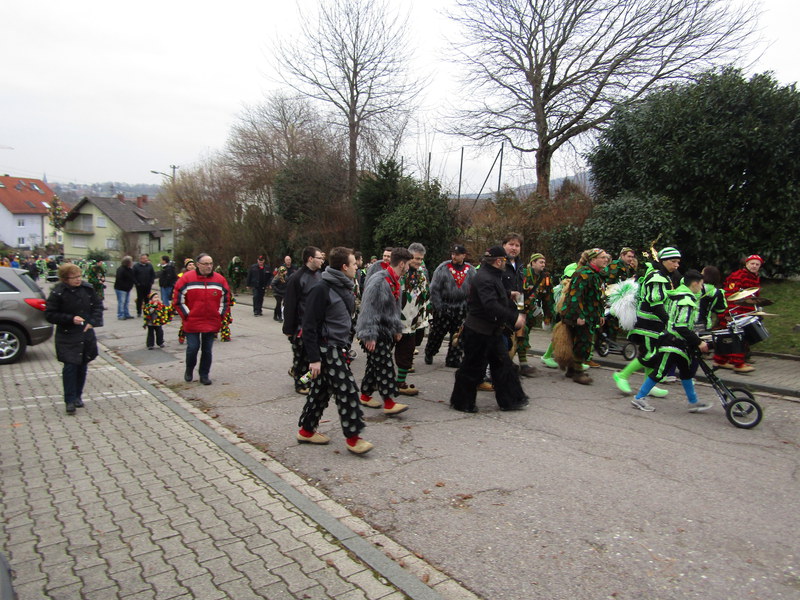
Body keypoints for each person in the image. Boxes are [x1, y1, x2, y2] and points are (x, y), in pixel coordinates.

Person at [296, 247, 373, 455]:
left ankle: (306, 431)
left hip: (339, 347)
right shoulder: (321, 289)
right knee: (347, 391)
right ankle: (354, 439)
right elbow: (309, 326)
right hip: (328, 349)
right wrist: (314, 359)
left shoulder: (345, 286)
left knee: (320, 391)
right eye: (354, 263)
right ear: (344, 267)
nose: (357, 266)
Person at [449, 246, 529, 413]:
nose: (506, 263)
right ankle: (462, 403)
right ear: (498, 261)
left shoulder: (490, 274)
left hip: (491, 331)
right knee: (472, 368)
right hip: (478, 332)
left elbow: (492, 293)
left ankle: (511, 400)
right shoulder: (485, 277)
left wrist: (508, 293)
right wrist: (514, 318)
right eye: (504, 260)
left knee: (503, 365)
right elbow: (490, 304)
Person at [631, 270, 713, 413]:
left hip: (676, 343)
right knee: (660, 371)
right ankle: (639, 398)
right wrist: (698, 342)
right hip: (673, 343)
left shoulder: (679, 295)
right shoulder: (686, 300)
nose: (701, 288)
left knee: (686, 373)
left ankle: (693, 402)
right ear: (694, 284)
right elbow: (681, 326)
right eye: (701, 284)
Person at [613, 247, 683, 398]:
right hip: (648, 324)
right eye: (673, 261)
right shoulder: (657, 277)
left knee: (653, 353)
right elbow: (656, 304)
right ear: (663, 261)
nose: (676, 265)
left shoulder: (665, 276)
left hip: (656, 324)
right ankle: (622, 375)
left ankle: (648, 384)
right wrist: (669, 321)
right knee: (650, 354)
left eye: (678, 262)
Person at [355, 247, 412, 415]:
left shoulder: (394, 280)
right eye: (408, 264)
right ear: (402, 264)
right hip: (374, 331)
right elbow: (368, 308)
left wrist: (396, 328)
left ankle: (365, 396)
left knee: (375, 366)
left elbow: (394, 309)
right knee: (385, 365)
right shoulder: (379, 281)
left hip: (385, 330)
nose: (409, 268)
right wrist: (369, 335)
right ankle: (389, 402)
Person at [45, 263, 104, 415]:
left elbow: (97, 306)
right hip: (67, 334)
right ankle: (69, 400)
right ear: (65, 278)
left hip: (85, 333)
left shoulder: (87, 289)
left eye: (79, 276)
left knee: (82, 365)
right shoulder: (58, 293)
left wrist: (92, 322)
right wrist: (70, 319)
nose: (78, 279)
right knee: (70, 367)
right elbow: (50, 314)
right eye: (74, 277)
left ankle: (78, 396)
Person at [172, 253, 231, 385]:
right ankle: (189, 369)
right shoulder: (187, 278)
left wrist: (219, 315)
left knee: (207, 350)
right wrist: (187, 315)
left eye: (211, 263)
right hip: (192, 321)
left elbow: (226, 300)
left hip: (211, 321)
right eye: (206, 264)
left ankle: (204, 375)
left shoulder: (219, 280)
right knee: (193, 348)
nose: (209, 266)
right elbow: (177, 299)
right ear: (198, 265)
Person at [560, 249, 611, 385]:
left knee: (582, 342)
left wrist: (600, 314)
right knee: (583, 342)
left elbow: (598, 297)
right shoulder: (583, 273)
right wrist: (579, 316)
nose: (606, 259)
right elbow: (576, 296)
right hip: (580, 315)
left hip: (590, 314)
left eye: (606, 257)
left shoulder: (597, 274)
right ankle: (578, 372)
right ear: (593, 259)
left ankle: (572, 369)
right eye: (602, 257)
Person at [425, 244, 476, 367]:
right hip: (444, 306)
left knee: (458, 335)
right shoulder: (443, 268)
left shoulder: (471, 270)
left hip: (461, 308)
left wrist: (470, 306)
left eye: (457, 254)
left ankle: (453, 359)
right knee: (437, 333)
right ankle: (430, 352)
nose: (454, 256)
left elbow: (475, 289)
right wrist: (438, 306)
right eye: (452, 254)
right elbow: (434, 289)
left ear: (464, 255)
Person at [282, 247, 325, 394]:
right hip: (300, 327)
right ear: (310, 259)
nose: (322, 260)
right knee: (301, 359)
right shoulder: (297, 278)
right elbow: (289, 304)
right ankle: (300, 384)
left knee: (312, 357)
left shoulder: (320, 275)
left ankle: (303, 377)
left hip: (316, 326)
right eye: (319, 258)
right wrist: (288, 329)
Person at [713, 254, 764, 373]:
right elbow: (730, 295)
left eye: (757, 264)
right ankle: (738, 364)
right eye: (752, 263)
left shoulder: (755, 277)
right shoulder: (738, 276)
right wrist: (730, 313)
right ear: (746, 264)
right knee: (738, 337)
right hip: (735, 311)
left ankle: (721, 360)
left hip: (746, 311)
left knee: (728, 337)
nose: (754, 266)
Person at [395, 243, 431, 396]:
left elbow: (425, 296)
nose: (418, 262)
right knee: (383, 353)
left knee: (407, 352)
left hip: (413, 322)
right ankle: (378, 381)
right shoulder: (399, 274)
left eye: (421, 259)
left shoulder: (421, 275)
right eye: (416, 259)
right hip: (396, 320)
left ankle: (400, 382)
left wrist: (426, 317)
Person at [518, 252, 554, 375]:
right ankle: (523, 364)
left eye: (544, 262)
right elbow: (518, 292)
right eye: (540, 262)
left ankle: (518, 362)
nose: (543, 264)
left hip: (533, 313)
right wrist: (520, 311)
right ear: (533, 263)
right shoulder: (523, 274)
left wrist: (548, 315)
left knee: (524, 335)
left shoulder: (546, 278)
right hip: (520, 311)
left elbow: (548, 297)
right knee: (522, 334)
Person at [113, 255, 135, 320]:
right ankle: (120, 315)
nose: (132, 263)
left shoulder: (130, 269)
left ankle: (126, 314)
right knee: (121, 302)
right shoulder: (121, 269)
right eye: (131, 261)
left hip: (127, 289)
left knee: (126, 302)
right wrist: (126, 286)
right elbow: (119, 280)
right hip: (121, 289)